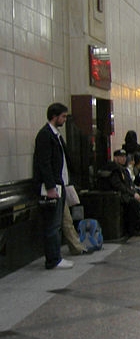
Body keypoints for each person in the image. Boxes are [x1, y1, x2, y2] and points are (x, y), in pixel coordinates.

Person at [33, 102, 74, 269]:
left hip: (60, 184)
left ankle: (55, 256)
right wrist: (50, 187)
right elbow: (44, 163)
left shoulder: (56, 135)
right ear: (54, 116)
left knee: (57, 223)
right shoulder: (45, 135)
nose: (64, 119)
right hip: (53, 187)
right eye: (63, 116)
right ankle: (53, 259)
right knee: (53, 224)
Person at [96, 149, 140, 236]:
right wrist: (132, 193)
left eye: (124, 157)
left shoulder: (123, 169)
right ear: (115, 158)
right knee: (134, 203)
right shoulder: (114, 169)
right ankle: (132, 229)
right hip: (117, 195)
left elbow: (128, 183)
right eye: (121, 157)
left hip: (125, 192)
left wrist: (133, 191)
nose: (123, 159)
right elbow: (119, 185)